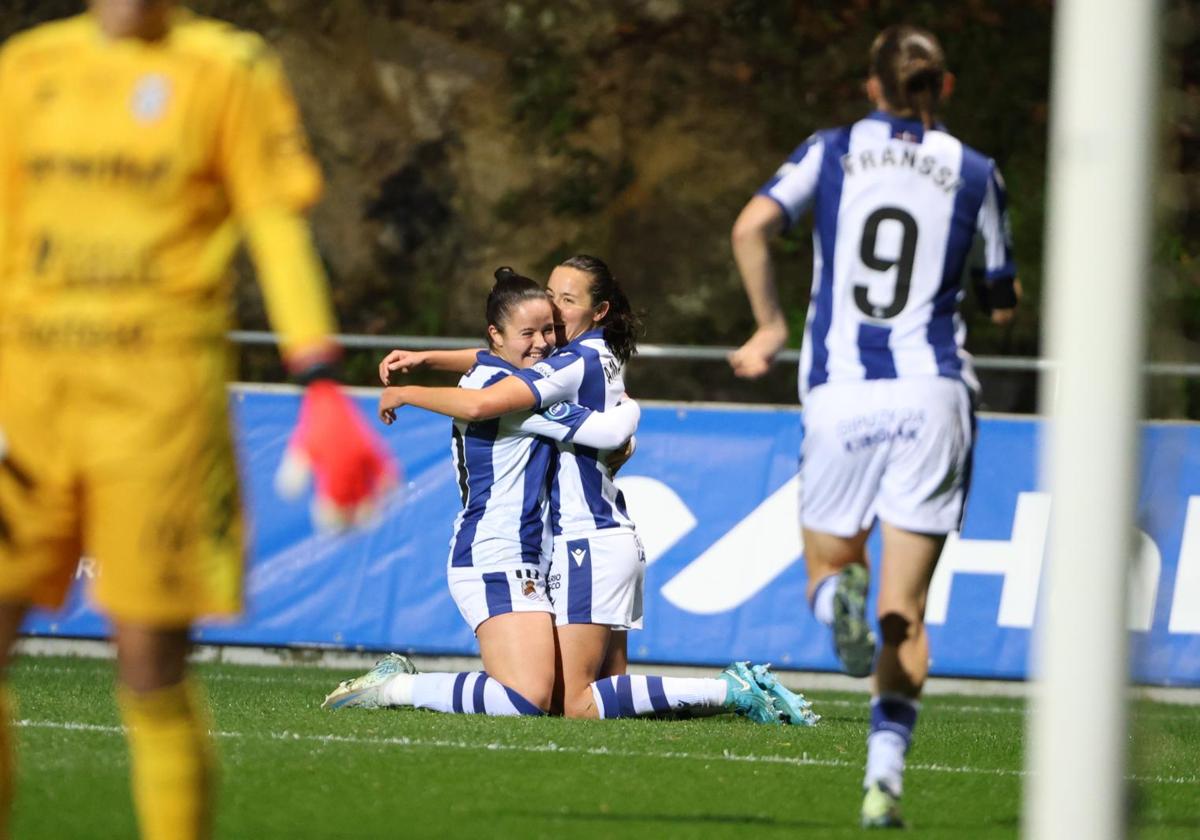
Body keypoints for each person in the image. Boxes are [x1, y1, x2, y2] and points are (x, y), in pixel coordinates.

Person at [0, 3, 392, 838]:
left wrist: (319, 377)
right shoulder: (28, 68)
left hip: (157, 415)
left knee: (147, 664)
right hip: (32, 405)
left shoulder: (227, 68)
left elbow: (274, 228)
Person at [728, 25, 1018, 829]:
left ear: (870, 87)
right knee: (908, 611)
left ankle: (833, 614)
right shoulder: (977, 172)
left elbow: (751, 227)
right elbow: (1000, 299)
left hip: (843, 391)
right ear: (945, 87)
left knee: (829, 568)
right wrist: (993, 298)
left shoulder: (831, 151)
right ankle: (882, 782)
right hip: (934, 394)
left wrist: (770, 325)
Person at [323, 269, 812, 726]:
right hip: (493, 553)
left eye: (548, 330)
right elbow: (604, 428)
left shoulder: (507, 370)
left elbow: (486, 359)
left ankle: (727, 694)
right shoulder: (511, 395)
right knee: (528, 700)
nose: (542, 345)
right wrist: (408, 391)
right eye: (528, 335)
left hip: (533, 556)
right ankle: (397, 688)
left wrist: (426, 359)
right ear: (496, 335)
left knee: (573, 697)